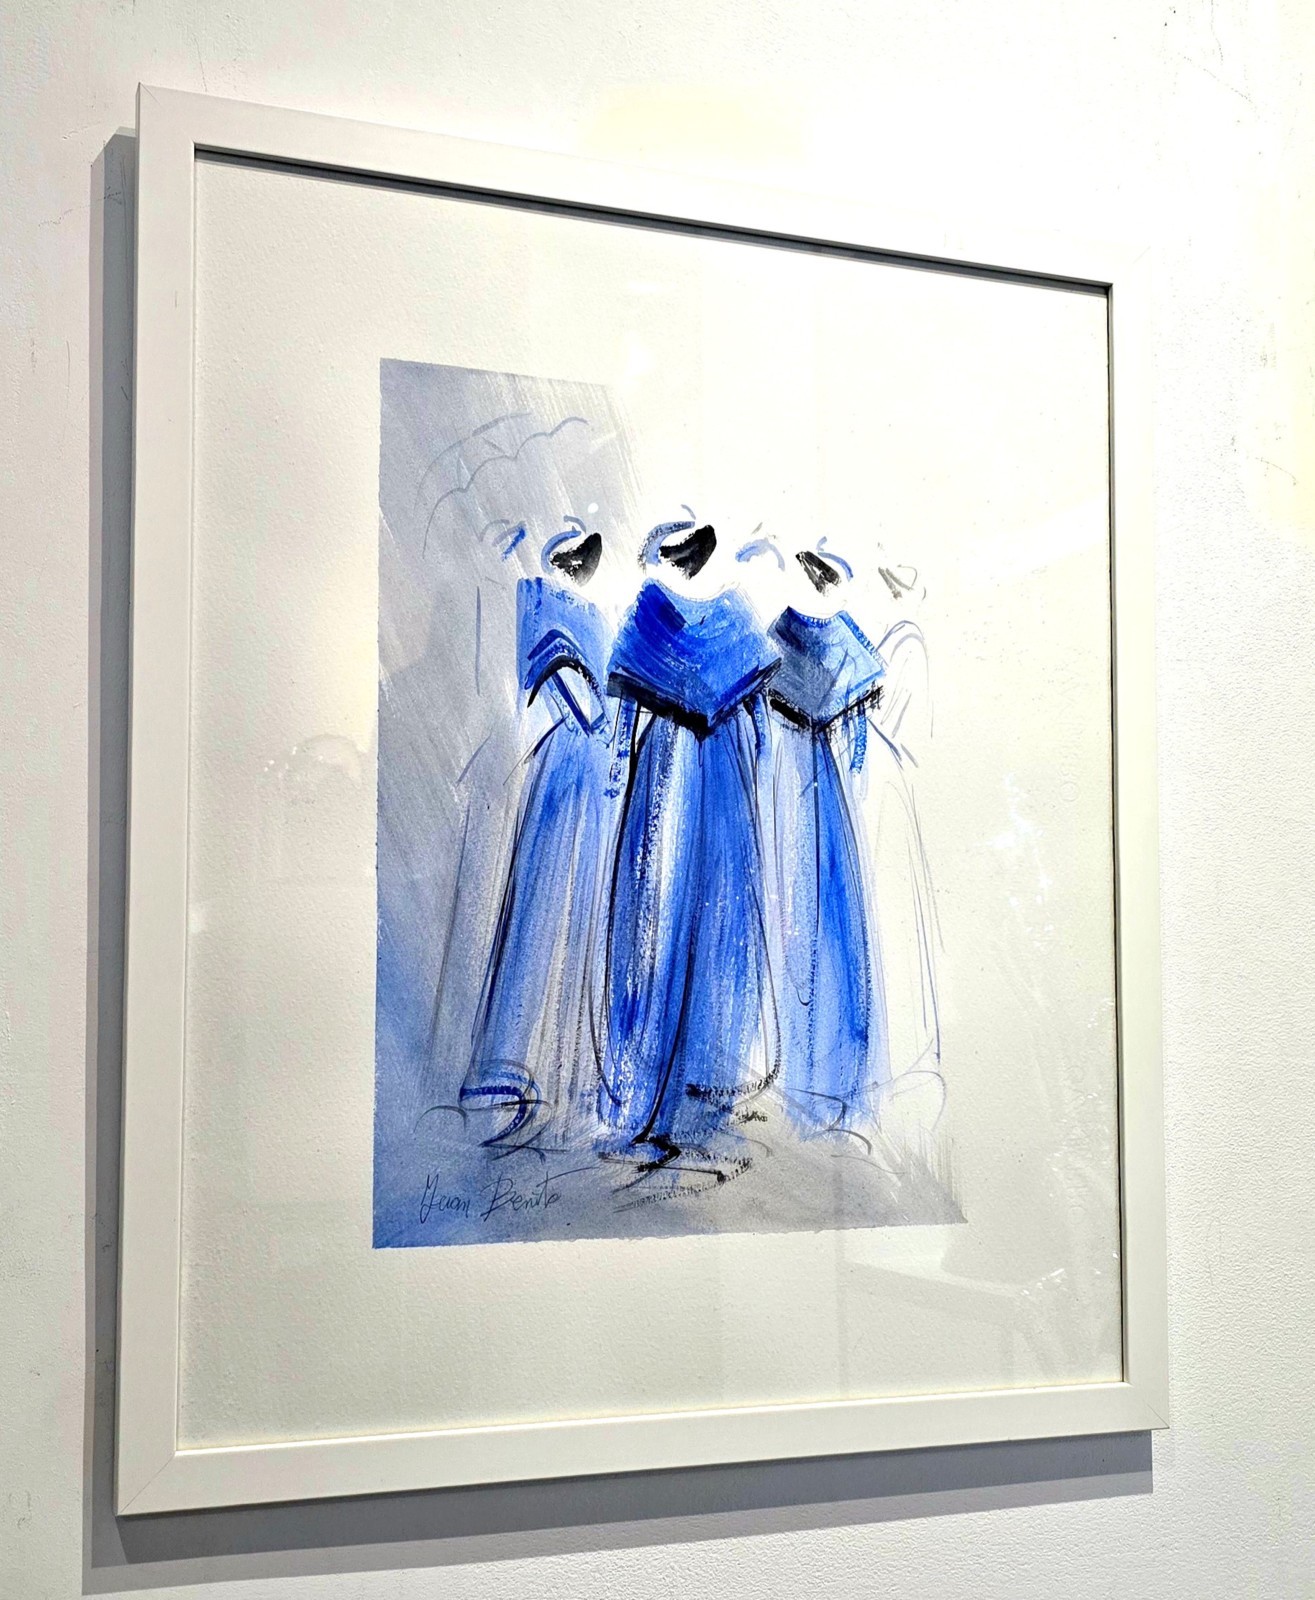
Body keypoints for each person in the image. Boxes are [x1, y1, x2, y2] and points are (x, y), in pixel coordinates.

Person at [599, 517, 781, 1170]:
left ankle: (700, 1086)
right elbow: (627, 706)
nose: (679, 559)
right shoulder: (659, 608)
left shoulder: (726, 610)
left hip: (708, 771)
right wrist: (619, 759)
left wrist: (758, 752)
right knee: (662, 916)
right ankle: (654, 1092)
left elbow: (757, 706)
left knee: (715, 913)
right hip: (678, 769)